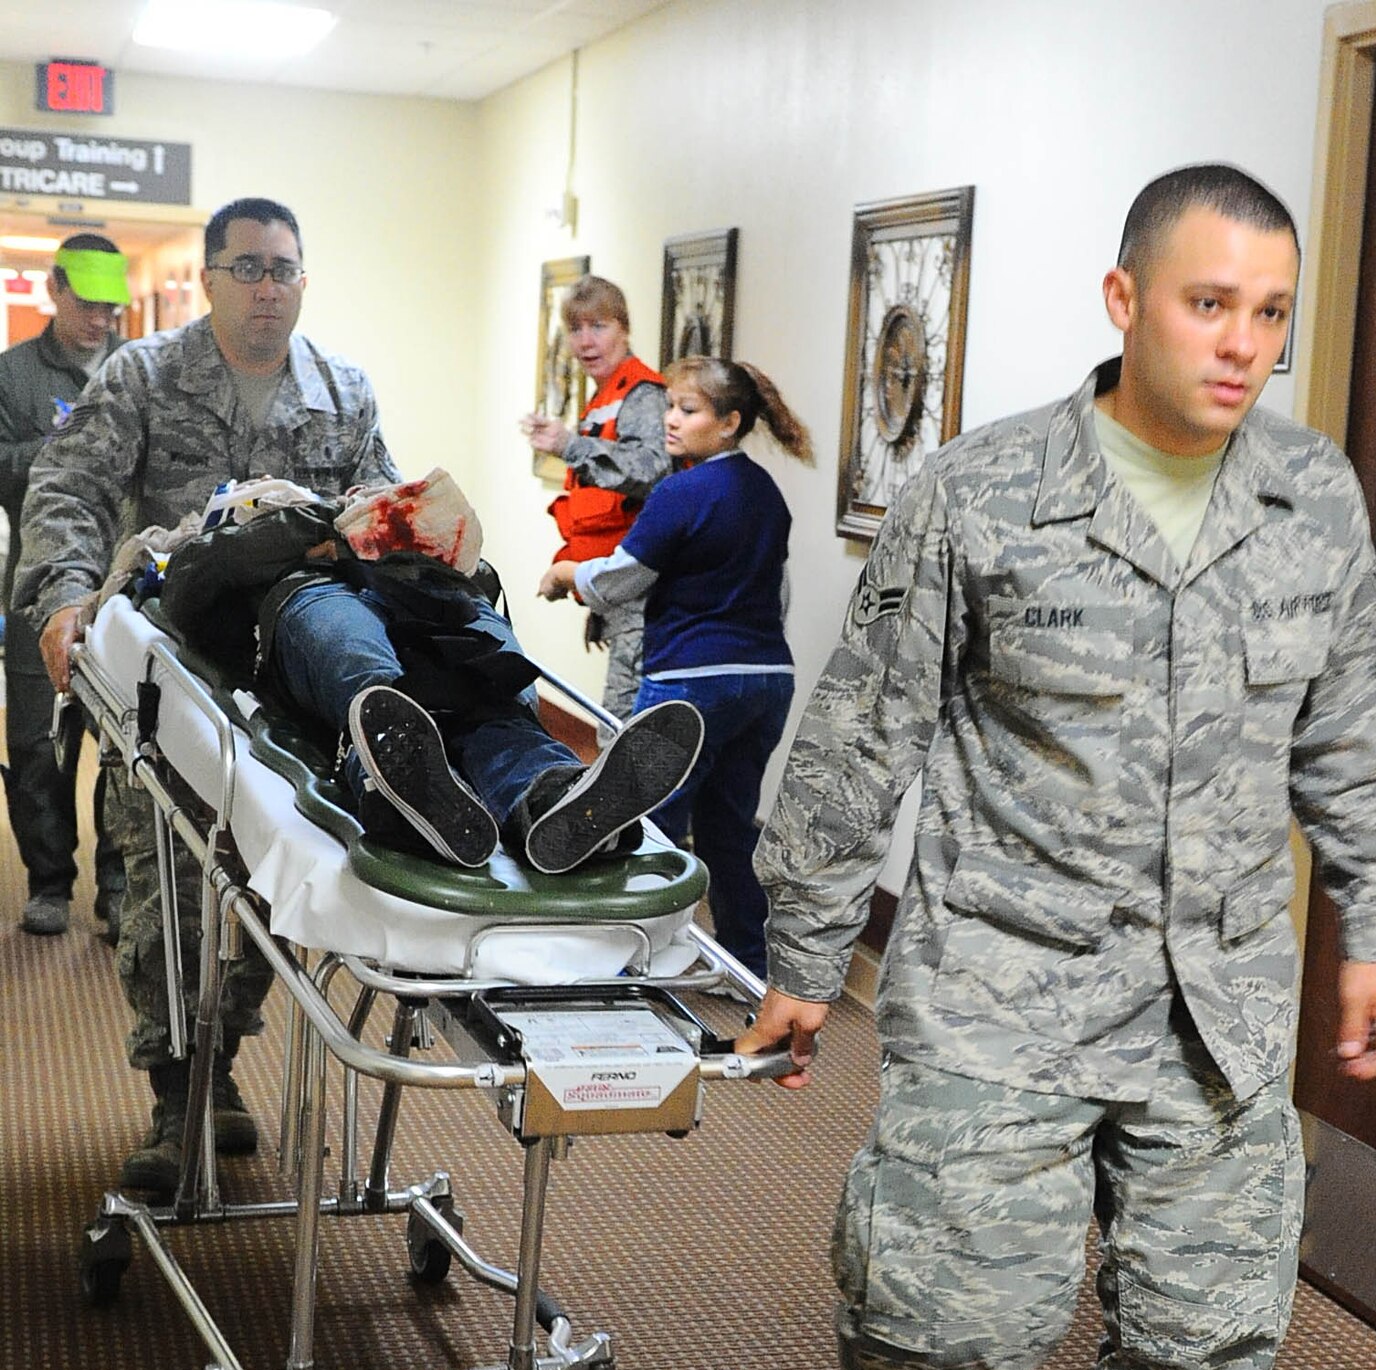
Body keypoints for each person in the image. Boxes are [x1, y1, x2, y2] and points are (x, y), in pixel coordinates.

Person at [737, 164, 1376, 1370]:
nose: (1243, 342)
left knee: (1207, 1323)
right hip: (1004, 980)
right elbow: (863, 729)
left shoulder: (1311, 499)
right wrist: (806, 953)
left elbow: (1347, 730)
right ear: (1125, 302)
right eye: (1209, 302)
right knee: (949, 1312)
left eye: (1270, 312)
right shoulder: (982, 494)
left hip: (1218, 1002)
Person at [15, 195, 398, 1199]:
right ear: (210, 278)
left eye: (284, 269)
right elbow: (67, 491)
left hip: (289, 685)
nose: (268, 288)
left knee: (268, 881)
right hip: (170, 676)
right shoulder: (143, 375)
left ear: (302, 280)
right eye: (248, 268)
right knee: (169, 883)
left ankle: (219, 1057)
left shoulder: (343, 393)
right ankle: (175, 1090)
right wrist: (65, 596)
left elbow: (379, 513)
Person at [154, 472, 703, 893]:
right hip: (309, 594)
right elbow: (187, 584)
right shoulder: (242, 536)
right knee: (370, 681)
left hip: (428, 597)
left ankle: (553, 798)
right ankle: (401, 788)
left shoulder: (383, 514)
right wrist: (319, 524)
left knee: (496, 695)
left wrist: (398, 532)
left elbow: (480, 576)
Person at [539, 357, 813, 979]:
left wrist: (566, 575)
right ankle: (746, 966)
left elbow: (621, 578)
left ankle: (627, 964)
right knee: (728, 827)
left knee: (646, 824)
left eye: (688, 411)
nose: (670, 420)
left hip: (690, 682)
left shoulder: (681, 492)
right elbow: (779, 592)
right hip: (767, 681)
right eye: (670, 407)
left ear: (729, 422)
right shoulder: (766, 492)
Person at [0, 233, 129, 939]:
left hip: (124, 594)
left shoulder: (139, 370)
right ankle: (49, 882)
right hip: (39, 585)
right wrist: (62, 448)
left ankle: (119, 882)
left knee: (126, 746)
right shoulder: (13, 374)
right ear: (54, 289)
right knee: (37, 745)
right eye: (88, 305)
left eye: (112, 308)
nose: (101, 320)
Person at [521, 276, 669, 721]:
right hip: (619, 594)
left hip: (647, 595)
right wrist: (601, 605)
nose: (586, 341)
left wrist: (570, 446)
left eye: (599, 326)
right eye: (576, 329)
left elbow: (651, 471)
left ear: (624, 328)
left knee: (621, 731)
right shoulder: (604, 397)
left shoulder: (642, 395)